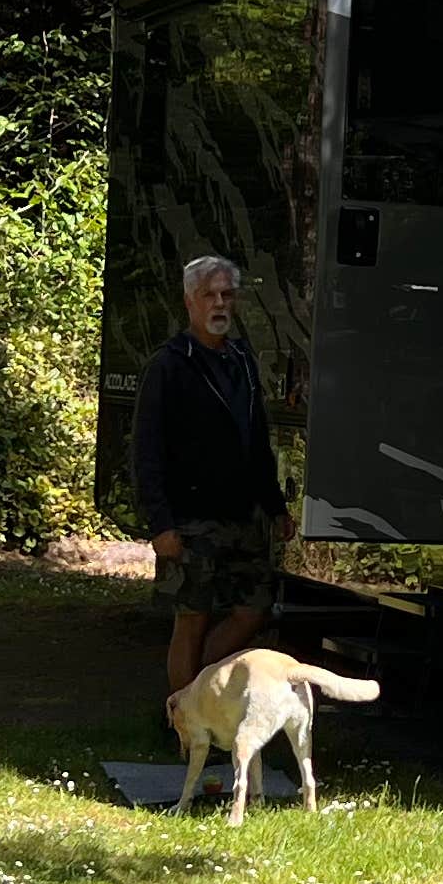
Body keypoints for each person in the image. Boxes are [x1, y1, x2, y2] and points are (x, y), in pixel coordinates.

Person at [134, 253, 289, 694]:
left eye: (227, 295)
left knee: (255, 610)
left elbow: (257, 440)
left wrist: (275, 505)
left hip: (243, 513)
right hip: (190, 515)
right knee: (192, 618)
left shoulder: (241, 359)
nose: (219, 304)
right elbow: (146, 450)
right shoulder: (169, 364)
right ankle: (183, 719)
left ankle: (191, 696)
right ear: (189, 301)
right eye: (209, 295)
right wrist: (160, 523)